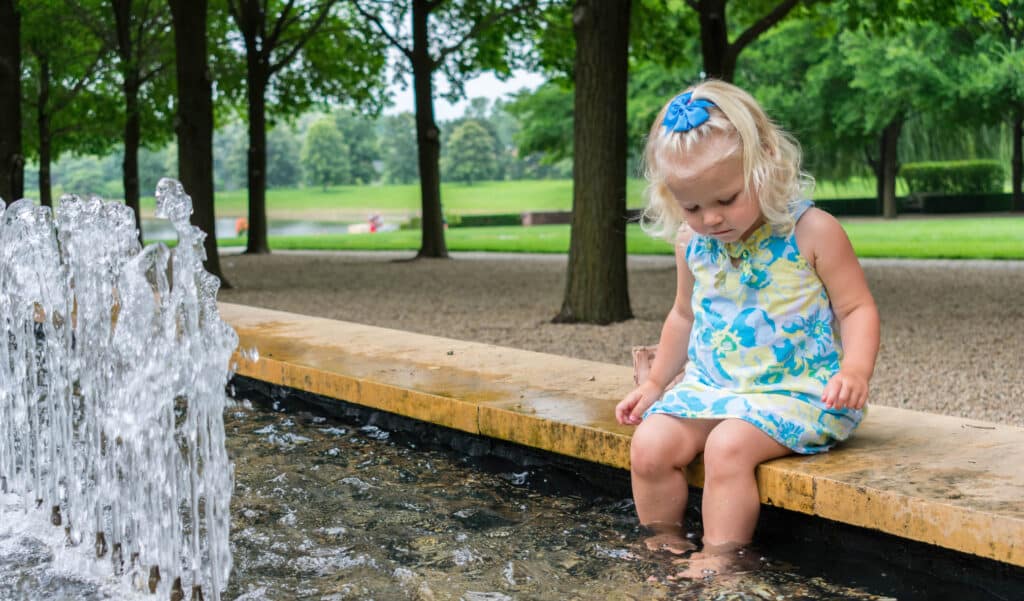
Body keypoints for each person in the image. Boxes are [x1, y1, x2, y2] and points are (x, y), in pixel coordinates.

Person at [614, 80, 880, 579]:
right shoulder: (691, 242)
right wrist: (654, 384)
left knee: (728, 447)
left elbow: (857, 308)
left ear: (767, 165)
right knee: (649, 444)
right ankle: (664, 546)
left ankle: (723, 558)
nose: (710, 218)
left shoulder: (812, 231)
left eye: (727, 199)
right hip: (714, 390)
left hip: (796, 394)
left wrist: (856, 369)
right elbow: (684, 316)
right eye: (692, 206)